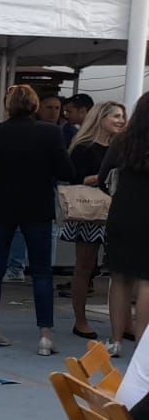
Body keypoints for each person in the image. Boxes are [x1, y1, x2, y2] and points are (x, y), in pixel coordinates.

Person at [0, 85, 76, 354]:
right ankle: (45, 335)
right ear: (35, 105)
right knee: (42, 272)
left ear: (7, 105)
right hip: (37, 207)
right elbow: (66, 171)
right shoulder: (50, 132)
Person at [64, 101, 126, 346]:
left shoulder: (123, 147)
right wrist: (103, 176)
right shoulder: (84, 147)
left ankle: (122, 323)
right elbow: (73, 178)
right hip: (89, 211)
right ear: (100, 118)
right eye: (116, 116)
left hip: (117, 212)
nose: (121, 120)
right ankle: (80, 320)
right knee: (85, 266)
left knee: (122, 270)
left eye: (122, 116)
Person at [101, 93, 149, 352]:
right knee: (147, 282)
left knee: (119, 278)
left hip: (123, 214)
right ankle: (142, 348)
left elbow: (103, 178)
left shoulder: (122, 141)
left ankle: (116, 340)